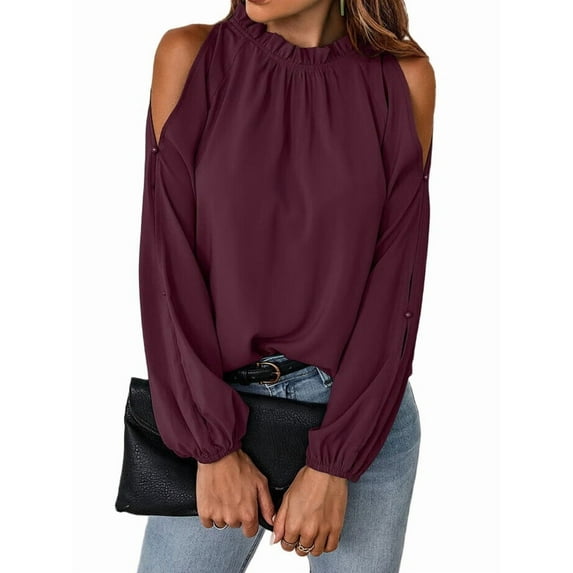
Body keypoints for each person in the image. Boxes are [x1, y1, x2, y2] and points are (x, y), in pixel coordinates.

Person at [136, 0, 435, 571]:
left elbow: (396, 286)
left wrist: (335, 463)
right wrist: (213, 447)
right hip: (218, 413)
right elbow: (166, 267)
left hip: (363, 420)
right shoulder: (191, 57)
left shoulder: (403, 79)